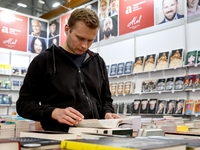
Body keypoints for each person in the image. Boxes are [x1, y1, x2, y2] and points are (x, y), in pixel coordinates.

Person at [17, 8, 121, 132]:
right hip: (58, 138)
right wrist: (54, 113)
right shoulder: (43, 61)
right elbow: (23, 105)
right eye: (80, 38)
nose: (85, 45)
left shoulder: (98, 62)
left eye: (90, 40)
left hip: (96, 136)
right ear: (67, 29)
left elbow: (106, 100)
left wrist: (107, 113)